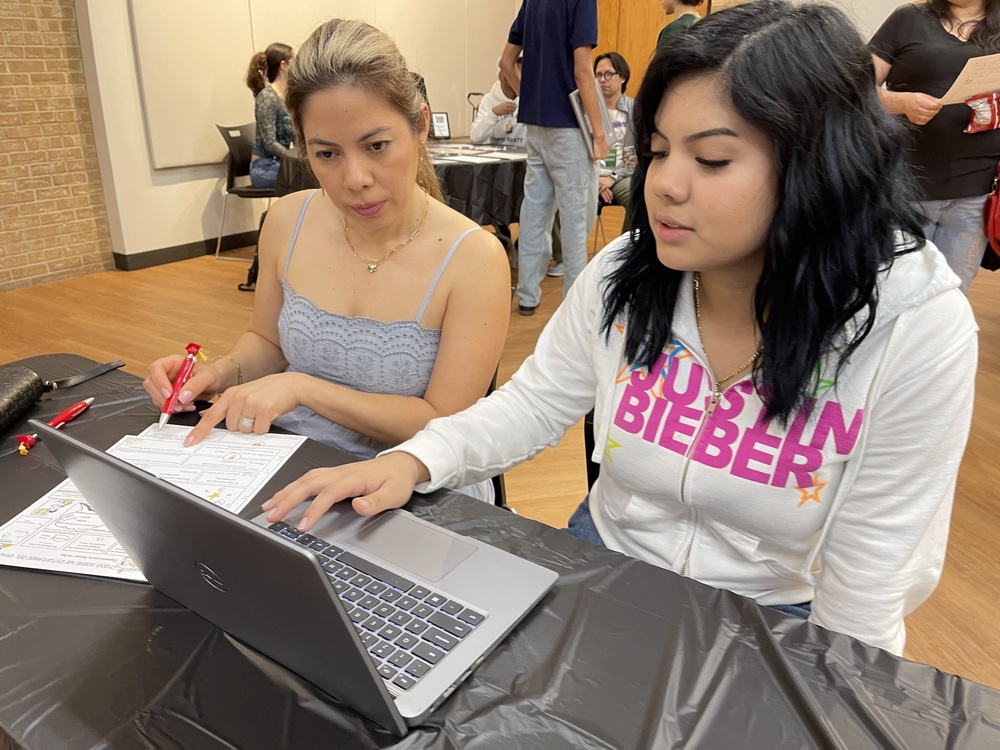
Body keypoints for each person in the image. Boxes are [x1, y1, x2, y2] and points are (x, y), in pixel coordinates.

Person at [262, 0, 979, 655]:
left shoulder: (910, 323)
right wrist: (414, 461)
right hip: (605, 562)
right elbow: (532, 404)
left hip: (775, 615)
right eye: (659, 150)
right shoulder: (629, 271)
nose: (663, 184)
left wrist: (835, 689)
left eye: (712, 159)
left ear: (817, 162)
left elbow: (870, 580)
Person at [145, 19, 511, 501]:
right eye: (327, 154)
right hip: (290, 457)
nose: (355, 179)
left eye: (376, 146)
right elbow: (267, 341)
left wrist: (303, 389)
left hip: (415, 484)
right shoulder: (287, 220)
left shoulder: (473, 258)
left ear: (420, 125)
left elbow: (442, 422)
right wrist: (218, 374)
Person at [870, 0, 1000, 293]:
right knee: (897, 291)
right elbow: (853, 87)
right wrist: (898, 102)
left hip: (978, 190)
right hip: (908, 186)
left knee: (951, 294)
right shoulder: (908, 18)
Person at [499, 0, 608, 316]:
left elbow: (506, 62)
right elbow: (583, 69)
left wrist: (529, 97)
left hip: (535, 125)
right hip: (569, 126)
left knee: (535, 212)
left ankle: (527, 295)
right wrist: (599, 133)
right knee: (576, 218)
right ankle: (573, 305)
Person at [552, 51, 637, 267]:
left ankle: (623, 257)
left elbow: (636, 155)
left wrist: (613, 177)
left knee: (638, 194)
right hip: (588, 173)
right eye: (598, 75)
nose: (602, 80)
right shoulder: (586, 107)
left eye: (608, 74)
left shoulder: (634, 110)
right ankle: (564, 258)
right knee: (557, 192)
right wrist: (596, 179)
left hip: (620, 176)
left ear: (623, 77)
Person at [246, 43, 295, 189]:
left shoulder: (287, 97)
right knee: (305, 176)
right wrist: (296, 160)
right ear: (284, 66)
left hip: (280, 164)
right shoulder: (267, 97)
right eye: (295, 61)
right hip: (263, 168)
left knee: (316, 172)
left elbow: (295, 136)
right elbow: (269, 143)